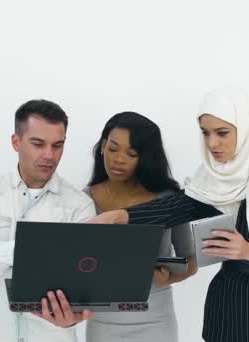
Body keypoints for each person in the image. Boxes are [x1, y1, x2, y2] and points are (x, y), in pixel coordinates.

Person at [91, 87, 249, 342]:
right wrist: (121, 216)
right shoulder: (213, 177)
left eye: (222, 133)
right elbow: (175, 207)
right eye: (205, 133)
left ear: (246, 128)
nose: (212, 143)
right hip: (227, 314)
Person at [0, 99, 96, 342]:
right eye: (38, 144)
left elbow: (88, 284)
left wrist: (74, 317)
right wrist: (27, 249)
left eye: (58, 145)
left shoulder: (80, 206)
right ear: (16, 141)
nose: (49, 155)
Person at [84, 111, 197, 342]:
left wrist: (169, 279)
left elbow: (191, 262)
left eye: (131, 153)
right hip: (102, 324)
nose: (118, 159)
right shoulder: (84, 200)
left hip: (156, 321)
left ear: (145, 157)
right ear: (102, 146)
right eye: (113, 148)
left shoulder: (168, 200)